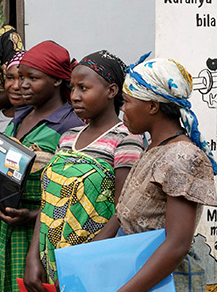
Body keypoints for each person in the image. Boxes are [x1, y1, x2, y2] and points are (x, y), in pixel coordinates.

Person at [92, 55, 217, 292]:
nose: (122, 110)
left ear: (152, 106)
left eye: (127, 102)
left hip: (163, 281)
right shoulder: (154, 148)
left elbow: (176, 245)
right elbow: (122, 215)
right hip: (136, 272)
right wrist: (84, 264)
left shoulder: (182, 157)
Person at [23, 50, 146, 290]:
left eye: (84, 88)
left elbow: (123, 213)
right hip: (52, 260)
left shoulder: (126, 139)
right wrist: (33, 256)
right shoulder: (67, 138)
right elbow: (48, 201)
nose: (75, 96)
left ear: (112, 91)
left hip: (94, 264)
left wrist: (81, 263)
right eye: (72, 88)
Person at [0, 41, 83, 292]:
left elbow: (71, 189)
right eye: (20, 77)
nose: (21, 85)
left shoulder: (70, 124)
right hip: (4, 228)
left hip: (37, 230)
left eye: (33, 78)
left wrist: (31, 217)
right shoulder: (21, 115)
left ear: (56, 80)